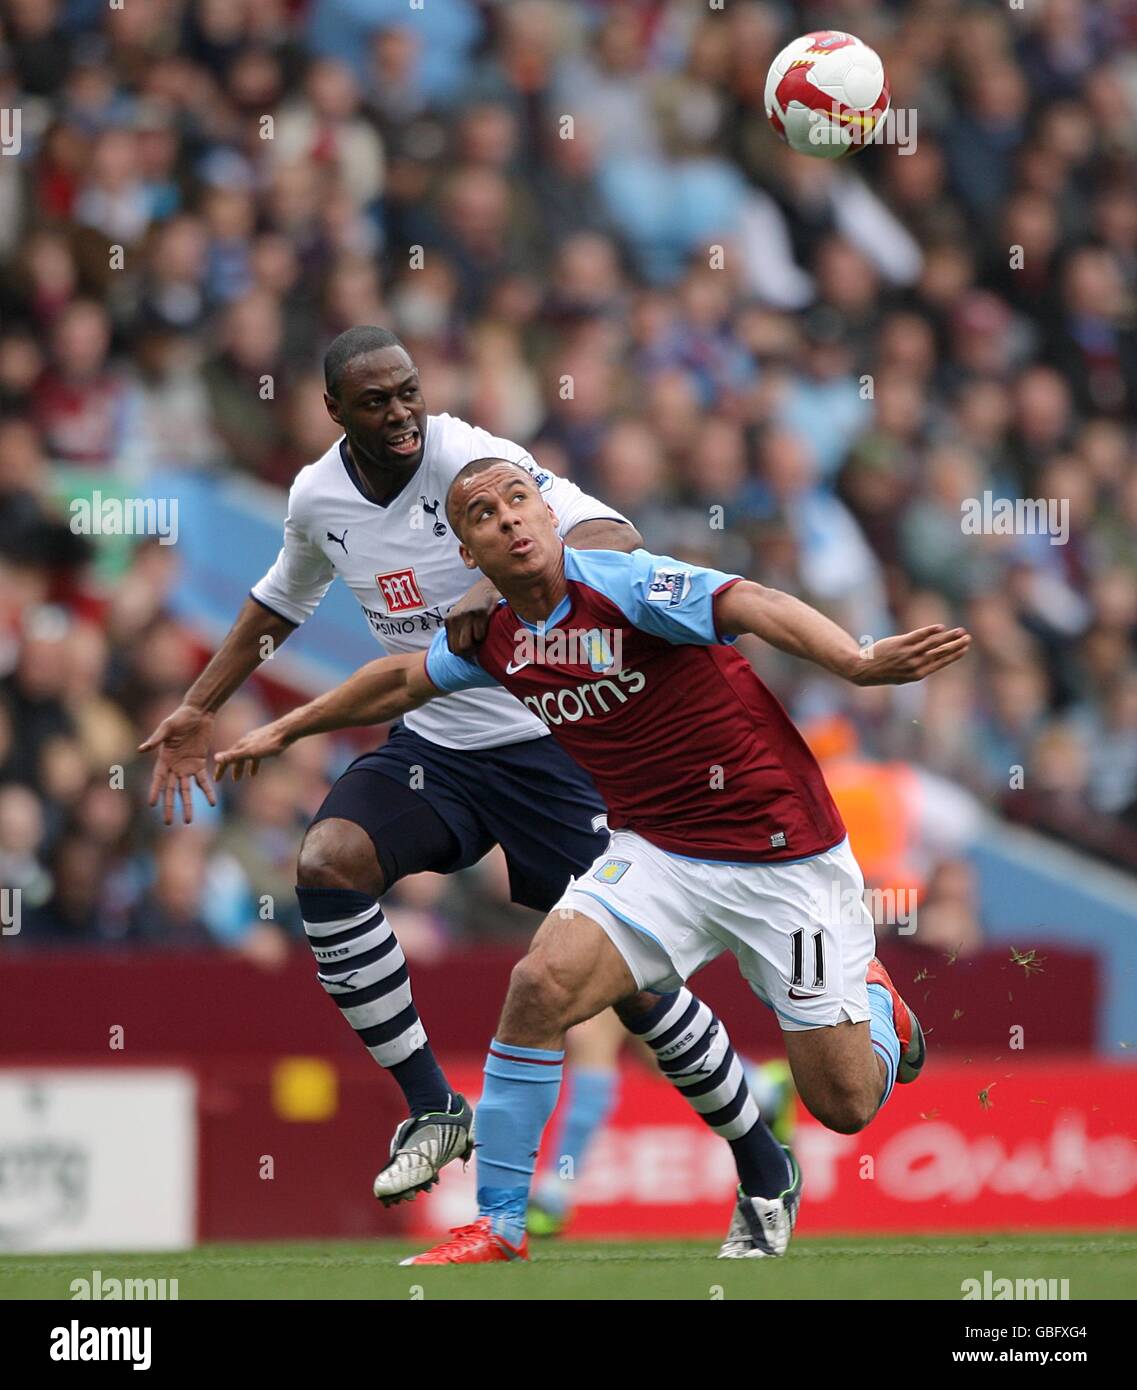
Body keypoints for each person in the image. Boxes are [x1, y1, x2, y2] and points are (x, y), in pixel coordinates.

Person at [212, 457, 972, 1263]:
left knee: (843, 1104)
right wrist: (285, 728)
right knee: (539, 987)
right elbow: (399, 681)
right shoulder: (496, 637)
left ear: (549, 514)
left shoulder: (626, 583)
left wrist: (854, 662)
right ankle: (500, 1222)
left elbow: (751, 602)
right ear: (467, 555)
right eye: (481, 514)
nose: (507, 518)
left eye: (518, 500)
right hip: (658, 852)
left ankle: (881, 1018)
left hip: (780, 853)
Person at [141, 328, 771, 1226]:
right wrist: (203, 704)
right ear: (333, 413)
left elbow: (609, 531)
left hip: (549, 746)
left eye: (407, 392)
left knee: (631, 986)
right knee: (327, 863)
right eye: (375, 401)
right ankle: (433, 1107)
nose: (400, 413)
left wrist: (488, 585)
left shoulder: (473, 456)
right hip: (434, 747)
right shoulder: (318, 497)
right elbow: (281, 597)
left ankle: (757, 1151)